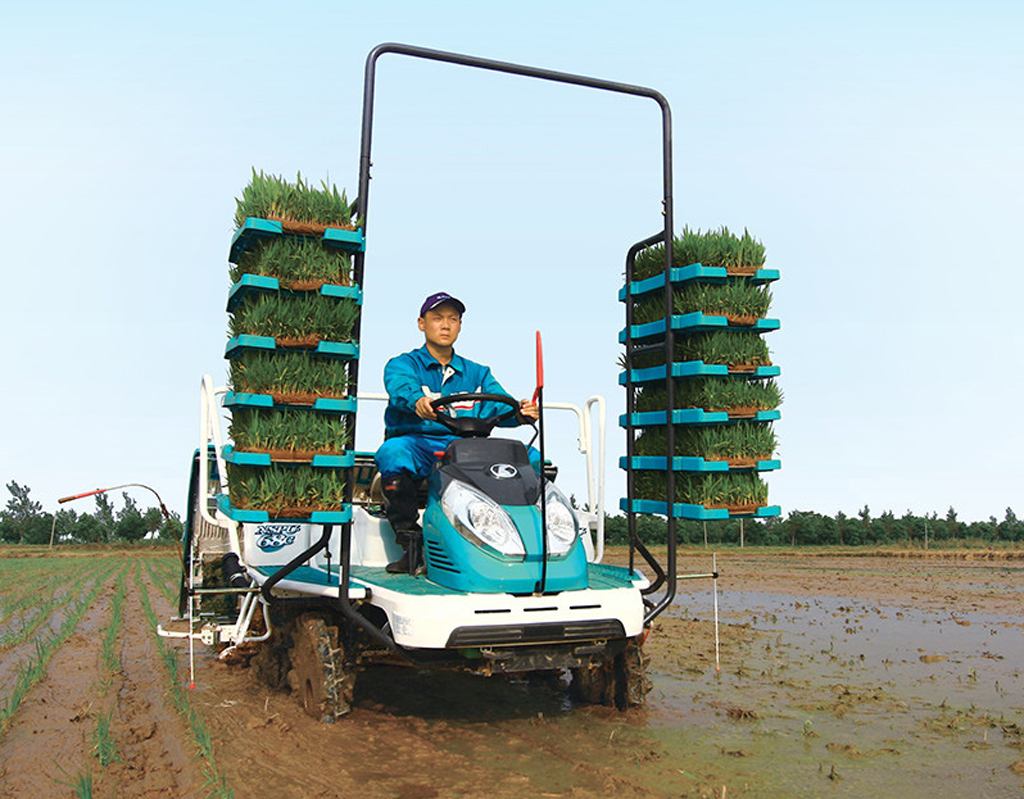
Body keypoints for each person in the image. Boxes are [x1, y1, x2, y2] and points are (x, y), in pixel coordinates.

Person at [374, 291, 539, 574]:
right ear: (421, 323)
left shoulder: (478, 373)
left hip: (467, 448)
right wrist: (417, 402)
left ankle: (525, 542)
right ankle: (412, 546)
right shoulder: (403, 364)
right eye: (437, 318)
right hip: (420, 443)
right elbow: (401, 388)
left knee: (530, 457)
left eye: (453, 319)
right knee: (393, 452)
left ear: (460, 326)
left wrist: (521, 414)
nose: (446, 325)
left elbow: (500, 405)